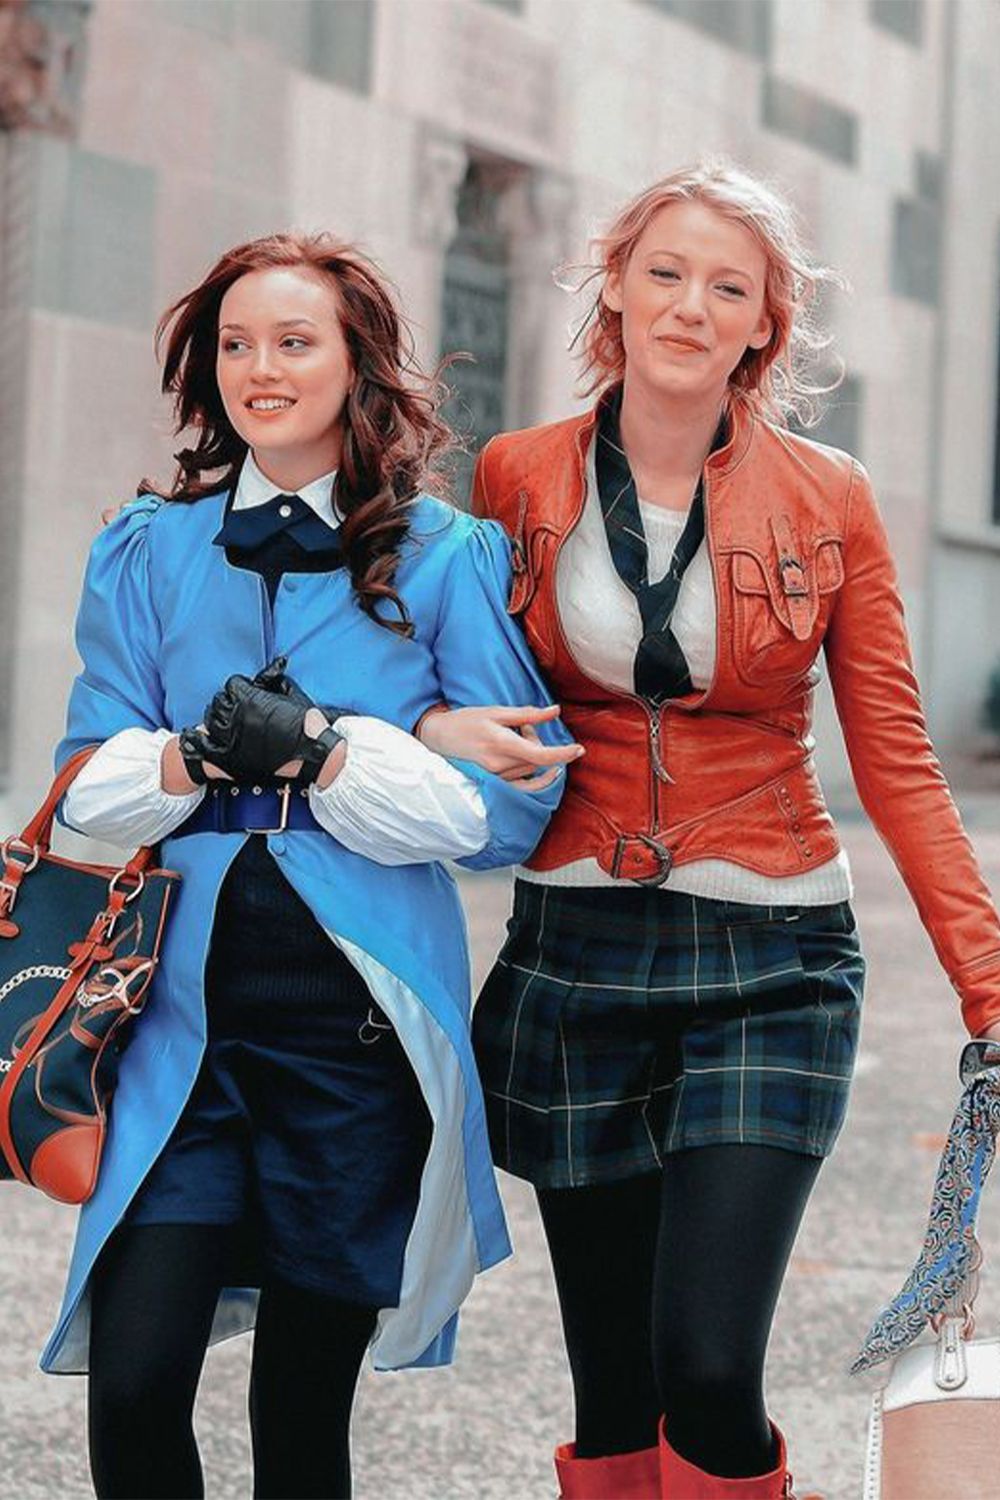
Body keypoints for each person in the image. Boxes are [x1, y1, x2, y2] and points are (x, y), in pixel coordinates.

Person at [415, 161, 1000, 1500]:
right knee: (613, 1387)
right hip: (576, 952)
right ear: (615, 292)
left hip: (773, 957)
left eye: (727, 288)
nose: (690, 305)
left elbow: (897, 759)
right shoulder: (518, 475)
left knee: (710, 1366)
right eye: (665, 273)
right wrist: (439, 726)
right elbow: (441, 673)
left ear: (762, 327)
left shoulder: (828, 496)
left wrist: (988, 980)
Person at [45, 231, 579, 1500]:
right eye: (236, 344)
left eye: (294, 342)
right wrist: (195, 755)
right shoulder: (148, 548)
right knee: (135, 1384)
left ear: (357, 365)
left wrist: (329, 750)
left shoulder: (444, 555)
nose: (261, 370)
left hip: (357, 1041)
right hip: (177, 1030)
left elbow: (508, 815)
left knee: (299, 1416)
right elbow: (82, 782)